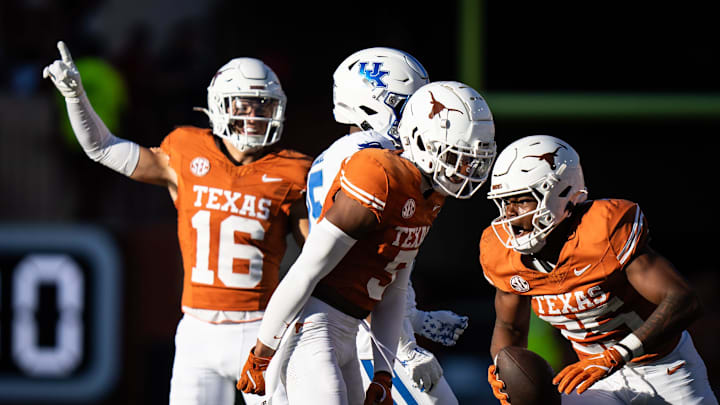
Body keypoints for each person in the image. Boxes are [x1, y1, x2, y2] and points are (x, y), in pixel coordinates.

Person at [43, 41, 312, 405]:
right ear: (221, 105)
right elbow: (102, 148)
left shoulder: (293, 170)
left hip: (262, 329)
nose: (254, 116)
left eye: (264, 106)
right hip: (197, 330)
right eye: (246, 105)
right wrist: (75, 97)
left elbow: (317, 259)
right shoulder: (186, 150)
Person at [236, 79, 496, 405]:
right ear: (420, 140)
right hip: (311, 329)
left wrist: (384, 374)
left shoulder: (429, 195)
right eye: (458, 156)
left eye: (473, 158)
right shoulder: (380, 176)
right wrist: (262, 351)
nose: (466, 168)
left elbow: (393, 290)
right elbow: (306, 270)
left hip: (350, 327)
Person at [481, 135, 717, 404]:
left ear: (560, 194)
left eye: (522, 200)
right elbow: (509, 326)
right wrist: (503, 369)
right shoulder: (502, 252)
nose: (510, 214)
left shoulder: (602, 229)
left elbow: (683, 300)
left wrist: (617, 354)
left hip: (664, 367)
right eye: (504, 202)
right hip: (594, 377)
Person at [304, 47, 473, 405]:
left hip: (368, 334)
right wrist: (405, 349)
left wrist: (413, 317)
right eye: (407, 103)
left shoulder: (347, 155)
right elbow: (351, 269)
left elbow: (381, 266)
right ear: (370, 103)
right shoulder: (370, 160)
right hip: (366, 342)